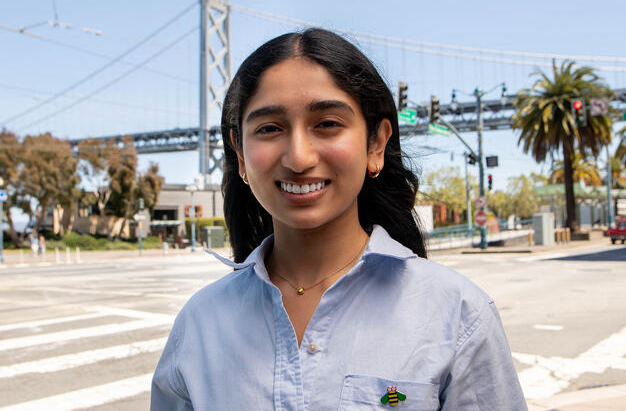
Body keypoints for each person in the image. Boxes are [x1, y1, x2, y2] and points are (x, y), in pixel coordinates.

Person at [151, 28, 527, 410]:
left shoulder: (457, 314)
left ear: (376, 144)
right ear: (241, 154)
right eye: (269, 129)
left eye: (328, 123)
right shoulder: (200, 324)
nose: (299, 158)